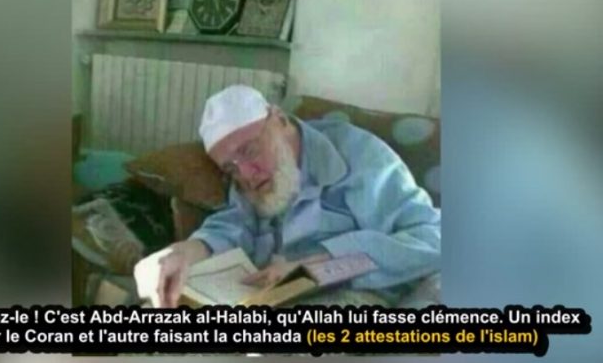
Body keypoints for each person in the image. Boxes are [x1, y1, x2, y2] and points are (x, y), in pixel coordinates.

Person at [134, 85, 440, 308]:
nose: (246, 173)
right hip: (265, 296)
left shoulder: (362, 155)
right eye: (231, 167)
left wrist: (318, 264)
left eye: (249, 150)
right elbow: (234, 224)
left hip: (350, 293)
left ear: (279, 119)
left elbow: (432, 238)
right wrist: (185, 251)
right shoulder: (247, 180)